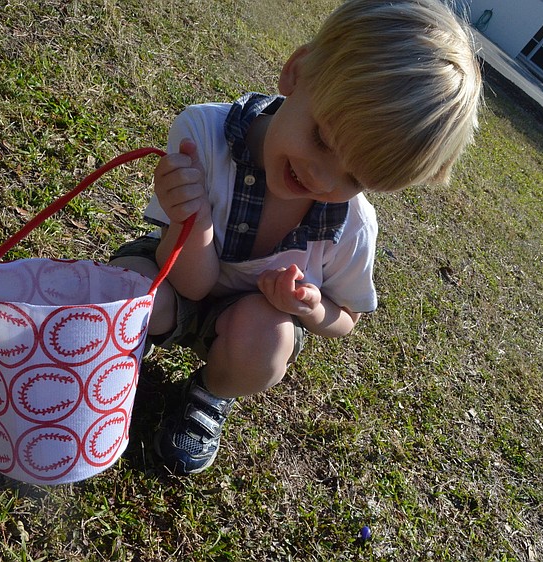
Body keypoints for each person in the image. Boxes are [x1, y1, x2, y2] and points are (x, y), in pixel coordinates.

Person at [110, 0, 483, 475]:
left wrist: (310, 308)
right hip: (178, 275)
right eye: (323, 139)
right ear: (297, 72)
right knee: (128, 285)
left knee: (268, 340)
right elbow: (192, 285)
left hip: (247, 323)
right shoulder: (202, 133)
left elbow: (346, 317)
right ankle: (107, 362)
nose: (322, 178)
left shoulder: (353, 225)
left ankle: (209, 394)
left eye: (355, 177)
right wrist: (193, 216)